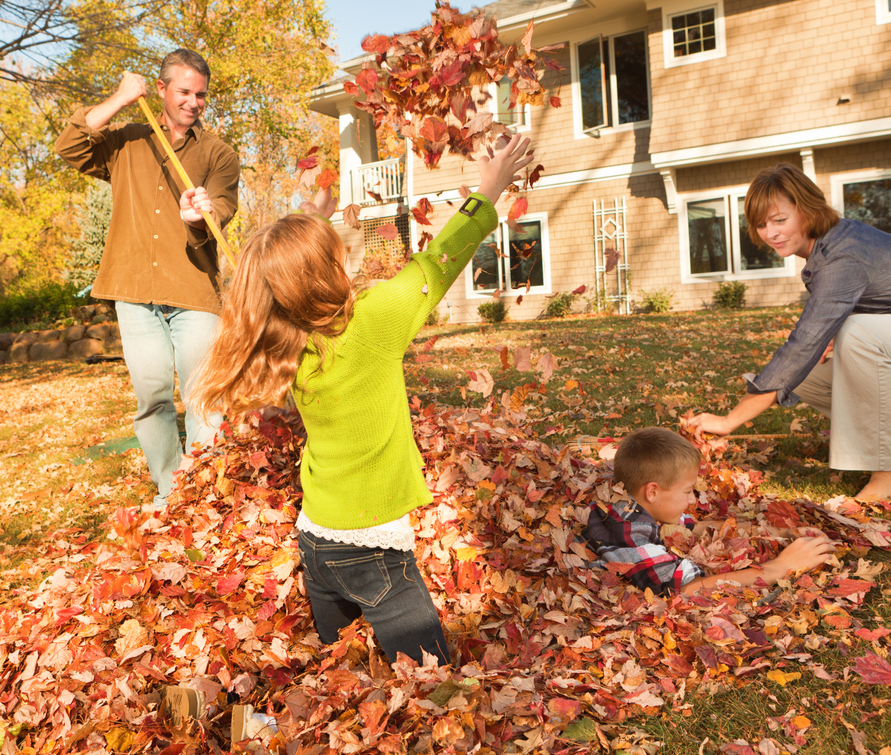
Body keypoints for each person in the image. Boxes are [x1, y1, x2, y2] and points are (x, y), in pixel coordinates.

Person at [191, 134, 536, 666]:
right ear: (330, 272)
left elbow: (279, 273)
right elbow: (442, 260)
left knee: (343, 673)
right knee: (431, 677)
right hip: (373, 550)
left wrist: (313, 215)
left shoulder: (283, 342)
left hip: (317, 544)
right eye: (337, 251)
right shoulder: (373, 321)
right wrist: (490, 186)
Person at [686, 163, 891, 501]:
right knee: (809, 375)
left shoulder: (841, 256)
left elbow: (804, 343)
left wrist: (729, 420)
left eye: (780, 220)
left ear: (807, 209)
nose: (770, 233)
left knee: (854, 333)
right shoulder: (834, 242)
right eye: (761, 224)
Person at [56, 49, 239, 505]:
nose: (194, 102)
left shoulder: (219, 154)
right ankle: (171, 491)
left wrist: (199, 215)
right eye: (184, 91)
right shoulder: (128, 140)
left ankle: (205, 493)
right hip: (134, 291)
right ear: (161, 89)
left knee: (204, 398)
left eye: (201, 95)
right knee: (153, 399)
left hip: (194, 292)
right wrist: (119, 98)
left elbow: (222, 206)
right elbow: (69, 147)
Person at [584, 428, 835, 595]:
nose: (692, 500)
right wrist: (780, 567)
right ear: (652, 491)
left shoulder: (637, 501)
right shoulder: (629, 532)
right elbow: (691, 589)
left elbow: (692, 526)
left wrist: (782, 533)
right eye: (687, 491)